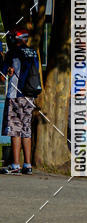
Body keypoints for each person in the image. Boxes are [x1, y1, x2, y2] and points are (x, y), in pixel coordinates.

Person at [0, 28, 42, 174]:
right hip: (29, 96)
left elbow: (2, 76)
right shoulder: (33, 53)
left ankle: (15, 165)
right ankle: (28, 165)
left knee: (15, 130)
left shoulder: (12, 53)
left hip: (15, 95)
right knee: (26, 130)